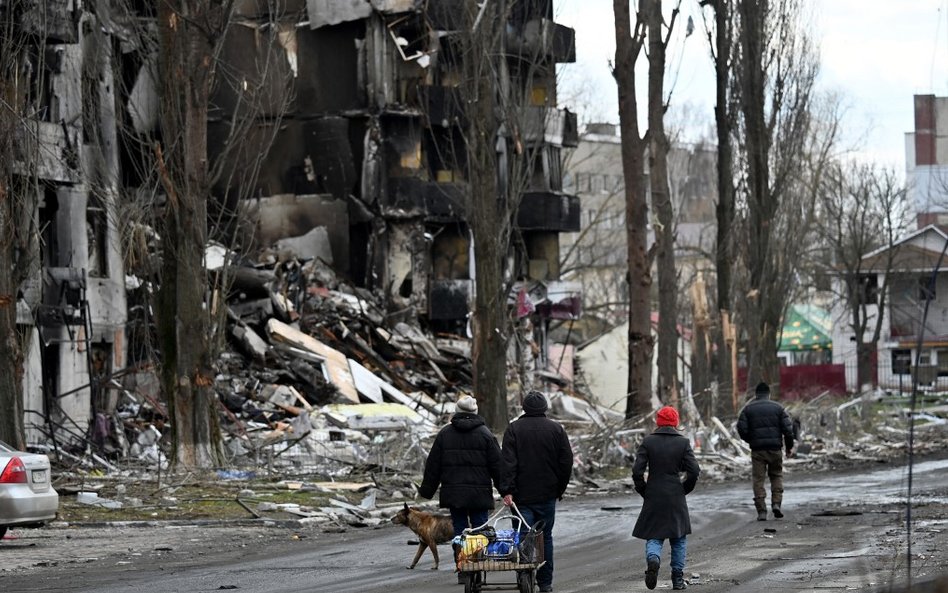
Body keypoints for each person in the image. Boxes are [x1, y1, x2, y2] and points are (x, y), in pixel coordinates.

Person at [418, 394, 502, 576]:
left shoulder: (445, 434)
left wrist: (427, 490)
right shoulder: (486, 434)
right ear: (476, 412)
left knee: (460, 530)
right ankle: (478, 565)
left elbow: (433, 465)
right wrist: (506, 489)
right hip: (479, 493)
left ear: (456, 411)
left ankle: (462, 566)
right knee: (480, 530)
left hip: (454, 492)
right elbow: (498, 465)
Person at [500, 391, 573, 593]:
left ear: (524, 408)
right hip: (547, 493)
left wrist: (507, 490)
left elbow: (507, 463)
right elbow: (566, 462)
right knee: (545, 536)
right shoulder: (556, 430)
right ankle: (545, 583)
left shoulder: (514, 429)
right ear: (545, 408)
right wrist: (560, 488)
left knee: (524, 536)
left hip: (521, 496)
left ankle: (524, 577)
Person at [632, 406, 700, 591]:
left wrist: (644, 491)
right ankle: (677, 580)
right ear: (676, 422)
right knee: (678, 538)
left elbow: (637, 472)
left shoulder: (648, 442)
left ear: (658, 422)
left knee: (654, 535)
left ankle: (653, 559)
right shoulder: (683, 443)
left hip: (654, 493)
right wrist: (684, 488)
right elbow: (694, 471)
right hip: (675, 494)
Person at [736, 381, 796, 521]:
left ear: (756, 395)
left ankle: (762, 511)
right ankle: (776, 503)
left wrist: (750, 440)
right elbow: (788, 430)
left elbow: (741, 428)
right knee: (776, 476)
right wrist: (788, 448)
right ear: (769, 394)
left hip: (758, 451)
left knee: (758, 479)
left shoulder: (748, 409)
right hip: (775, 449)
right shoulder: (779, 408)